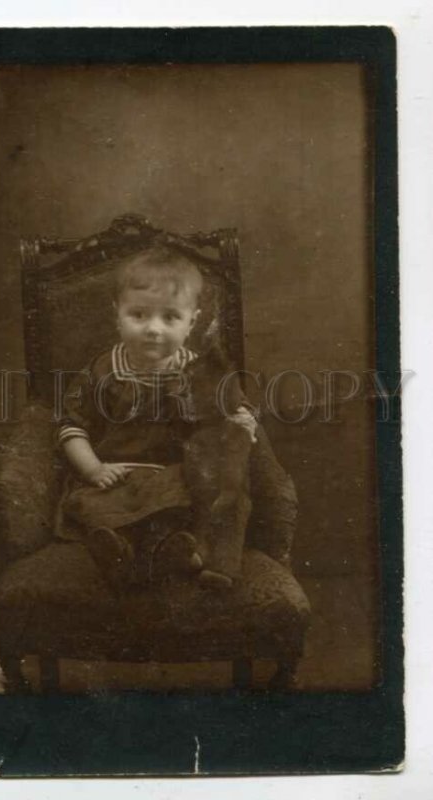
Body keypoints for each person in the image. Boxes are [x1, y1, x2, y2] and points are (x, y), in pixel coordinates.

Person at [55, 244, 257, 592]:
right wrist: (94, 469)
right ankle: (121, 554)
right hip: (116, 479)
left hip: (174, 476)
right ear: (116, 315)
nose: (153, 329)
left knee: (198, 495)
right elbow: (71, 426)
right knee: (92, 506)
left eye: (170, 317)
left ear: (192, 322)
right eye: (139, 315)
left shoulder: (199, 371)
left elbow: (230, 408)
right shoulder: (101, 372)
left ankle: (177, 552)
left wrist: (241, 420)